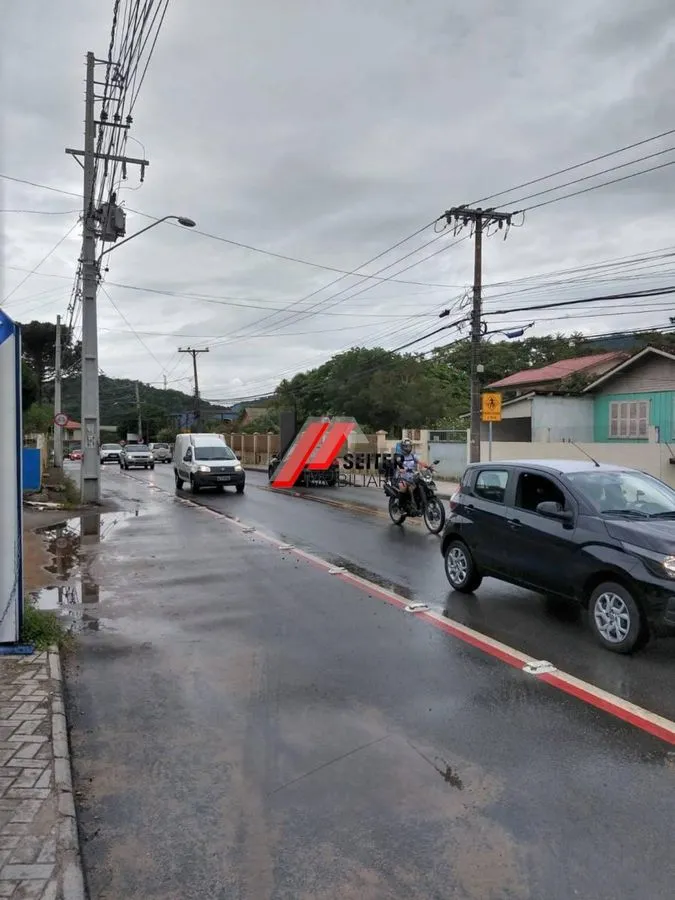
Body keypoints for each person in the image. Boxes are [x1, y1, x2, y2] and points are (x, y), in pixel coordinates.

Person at [395, 438, 429, 509]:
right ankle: (400, 506)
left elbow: (420, 462)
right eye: (406, 446)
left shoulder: (413, 456)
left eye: (409, 446)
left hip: (412, 477)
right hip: (402, 477)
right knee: (403, 488)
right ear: (402, 447)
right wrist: (401, 469)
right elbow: (398, 465)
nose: (408, 448)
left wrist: (428, 467)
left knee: (421, 485)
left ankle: (417, 502)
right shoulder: (399, 457)